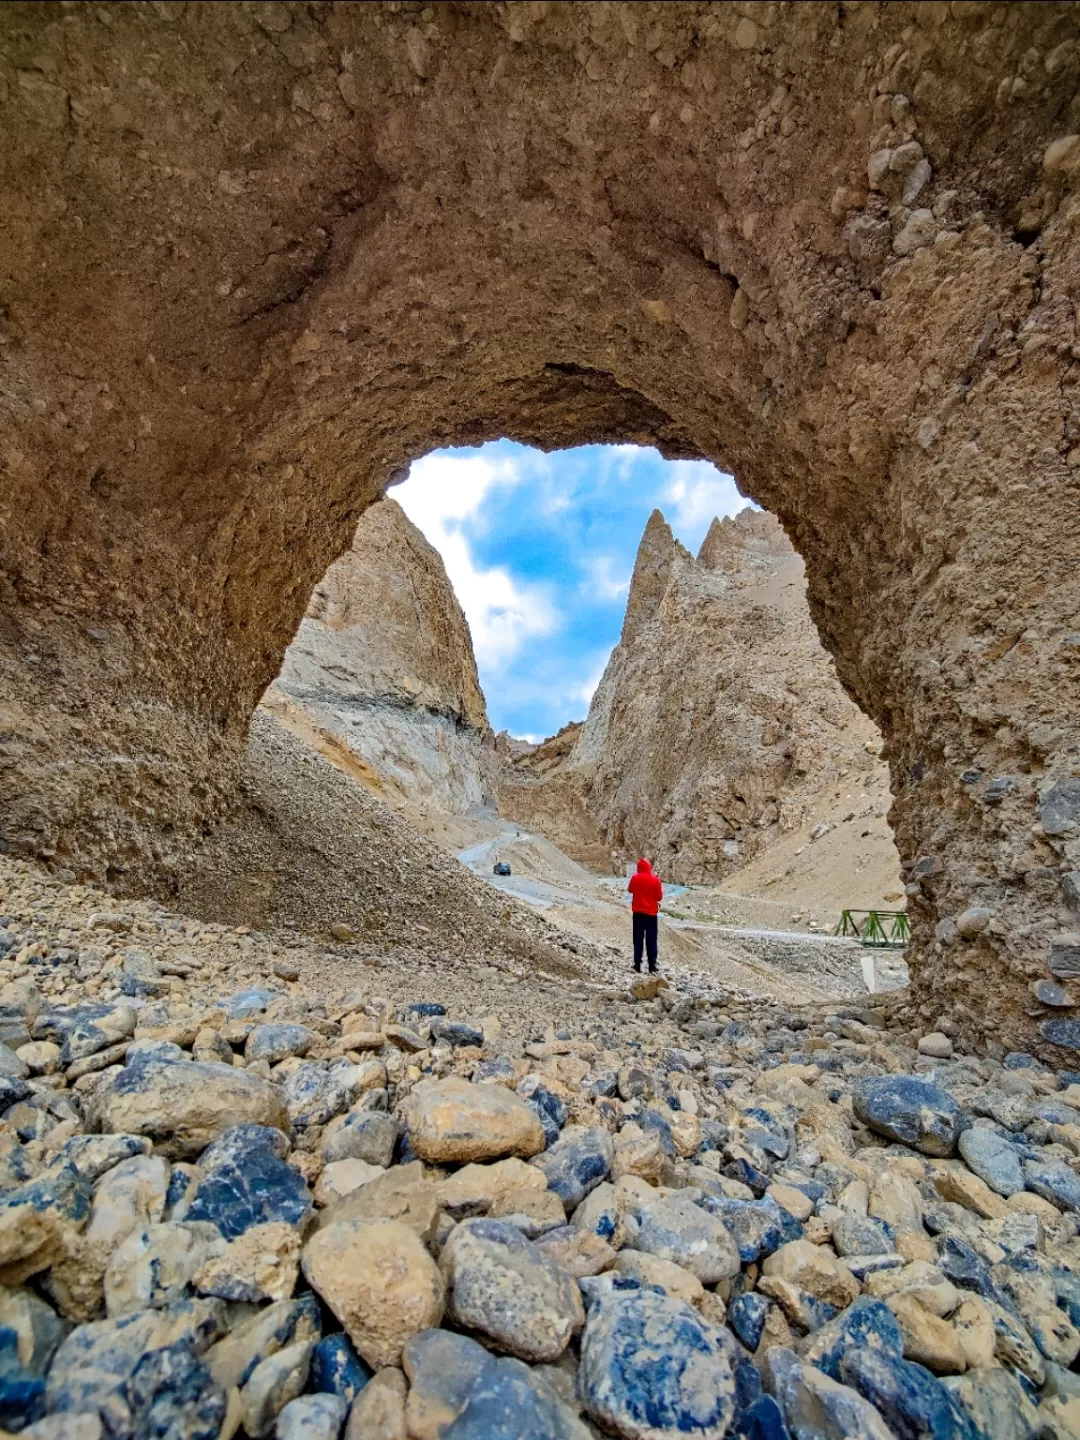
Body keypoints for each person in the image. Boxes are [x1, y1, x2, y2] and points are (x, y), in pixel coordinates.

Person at [628, 857, 663, 973]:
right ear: (649, 868)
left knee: (637, 939)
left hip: (637, 913)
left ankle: (637, 964)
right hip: (651, 914)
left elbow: (630, 890)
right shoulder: (655, 880)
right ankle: (652, 965)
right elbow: (659, 897)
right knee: (651, 940)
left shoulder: (634, 878)